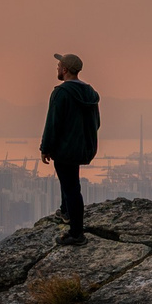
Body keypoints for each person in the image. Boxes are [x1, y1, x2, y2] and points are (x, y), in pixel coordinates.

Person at [40, 53, 101, 244]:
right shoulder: (90, 92)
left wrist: (46, 147)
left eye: (59, 65)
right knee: (70, 180)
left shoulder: (61, 93)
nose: (57, 68)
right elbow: (96, 123)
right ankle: (66, 211)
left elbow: (53, 123)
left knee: (71, 187)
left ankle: (76, 234)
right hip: (83, 147)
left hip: (65, 149)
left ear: (65, 69)